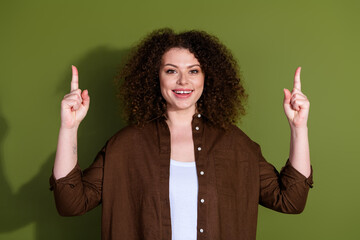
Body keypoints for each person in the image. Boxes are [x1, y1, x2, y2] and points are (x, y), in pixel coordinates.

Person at [50, 28, 313, 240]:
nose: (183, 82)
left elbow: (290, 199)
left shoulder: (234, 143)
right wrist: (69, 128)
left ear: (207, 78)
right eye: (171, 70)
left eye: (193, 71)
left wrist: (298, 128)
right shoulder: (126, 144)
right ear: (156, 77)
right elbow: (71, 203)